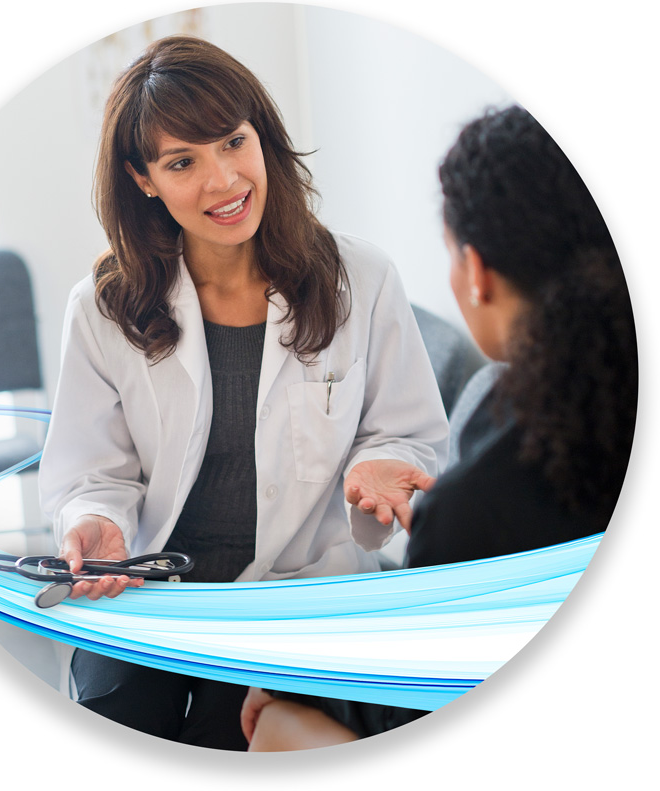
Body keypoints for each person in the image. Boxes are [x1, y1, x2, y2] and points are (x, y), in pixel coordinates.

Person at [38, 35, 449, 750]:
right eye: (182, 162)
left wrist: (379, 464)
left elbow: (406, 432)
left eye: (233, 141)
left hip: (297, 603)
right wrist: (96, 516)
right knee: (113, 726)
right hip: (150, 594)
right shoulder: (104, 306)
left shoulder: (363, 279)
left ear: (262, 134)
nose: (224, 180)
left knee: (233, 739)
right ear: (143, 179)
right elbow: (90, 470)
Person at [241, 104, 639, 750]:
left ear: (476, 272)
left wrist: (292, 681)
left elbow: (411, 709)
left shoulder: (472, 507)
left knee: (274, 724)